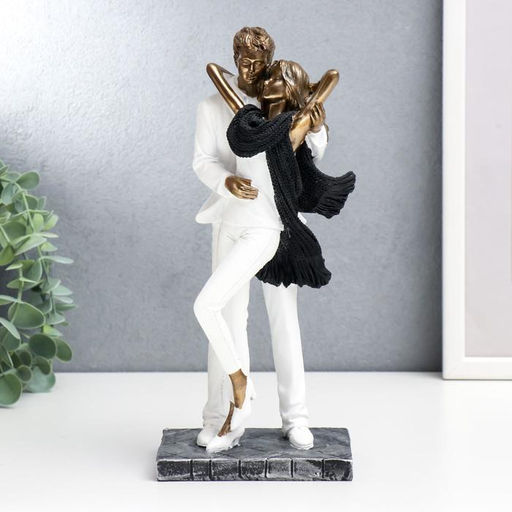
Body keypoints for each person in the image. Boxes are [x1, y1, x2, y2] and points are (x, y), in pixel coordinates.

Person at [192, 27, 329, 452]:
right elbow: (203, 160)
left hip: (278, 223)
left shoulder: (283, 97)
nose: (249, 68)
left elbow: (310, 154)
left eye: (257, 61)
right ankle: (221, 416)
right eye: (242, 60)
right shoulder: (214, 105)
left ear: (270, 61)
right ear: (233, 58)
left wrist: (316, 128)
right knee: (227, 316)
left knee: (283, 317)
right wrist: (226, 181)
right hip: (233, 219)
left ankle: (296, 416)